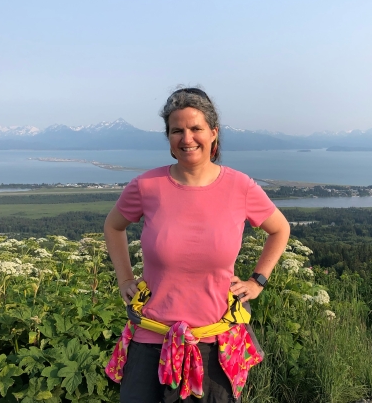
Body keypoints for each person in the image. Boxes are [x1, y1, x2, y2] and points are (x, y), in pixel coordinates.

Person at [104, 88, 290, 403]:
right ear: (168, 138)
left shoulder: (240, 186)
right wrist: (124, 278)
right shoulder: (146, 186)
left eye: (196, 128)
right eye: (177, 130)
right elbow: (113, 225)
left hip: (215, 342)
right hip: (151, 339)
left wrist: (257, 280)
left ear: (213, 133)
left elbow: (280, 229)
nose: (187, 138)